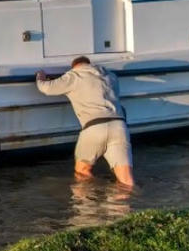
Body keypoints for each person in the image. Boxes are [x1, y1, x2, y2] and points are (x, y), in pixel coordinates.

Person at [36, 56, 133, 187]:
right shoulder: (111, 77)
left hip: (94, 127)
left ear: (75, 66)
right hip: (119, 126)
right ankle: (125, 206)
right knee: (126, 180)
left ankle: (87, 205)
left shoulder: (74, 76)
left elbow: (46, 88)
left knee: (82, 172)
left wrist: (40, 76)